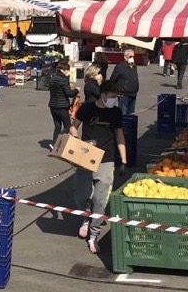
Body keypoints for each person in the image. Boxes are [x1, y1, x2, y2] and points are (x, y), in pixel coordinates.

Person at [70, 81, 127, 254]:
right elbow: (74, 127)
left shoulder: (116, 113)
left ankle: (93, 235)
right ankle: (86, 215)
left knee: (101, 200)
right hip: (86, 158)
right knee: (81, 195)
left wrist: (123, 159)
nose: (114, 100)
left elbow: (119, 135)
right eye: (112, 96)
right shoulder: (87, 109)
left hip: (106, 159)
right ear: (103, 94)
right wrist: (78, 142)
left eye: (116, 97)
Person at [48, 60, 79, 148]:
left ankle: (54, 143)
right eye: (68, 70)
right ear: (63, 70)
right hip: (62, 106)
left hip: (53, 105)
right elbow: (69, 93)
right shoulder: (64, 79)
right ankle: (59, 142)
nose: (69, 72)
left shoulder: (53, 78)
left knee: (57, 125)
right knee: (67, 126)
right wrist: (76, 90)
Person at [109, 48, 139, 115]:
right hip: (124, 95)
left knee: (131, 115)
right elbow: (112, 79)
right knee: (123, 114)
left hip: (133, 93)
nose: (132, 58)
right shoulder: (120, 66)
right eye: (130, 56)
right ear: (125, 57)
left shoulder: (134, 66)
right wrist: (117, 91)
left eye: (133, 56)